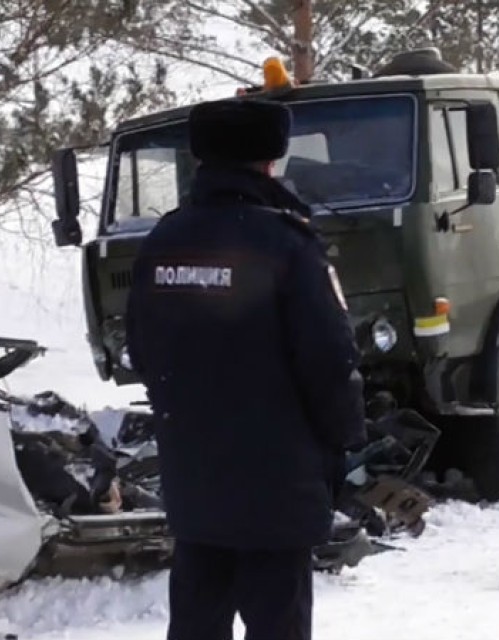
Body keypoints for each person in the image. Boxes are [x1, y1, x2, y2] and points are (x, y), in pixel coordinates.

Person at [124, 98, 367, 640]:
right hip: (277, 485)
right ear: (269, 162)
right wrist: (345, 444)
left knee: (196, 620)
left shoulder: (162, 241)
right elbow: (331, 362)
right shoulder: (289, 242)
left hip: (195, 479)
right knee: (277, 622)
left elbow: (139, 350)